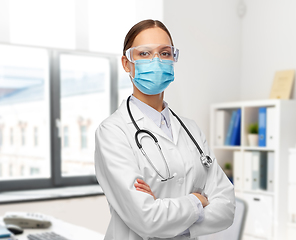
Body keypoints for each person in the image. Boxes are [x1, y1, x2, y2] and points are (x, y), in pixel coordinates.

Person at [94, 19, 235, 240]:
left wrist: (166, 213)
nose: (156, 61)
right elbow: (147, 220)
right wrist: (198, 201)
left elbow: (226, 207)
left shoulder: (191, 130)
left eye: (165, 53)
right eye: (144, 54)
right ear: (126, 63)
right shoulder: (112, 132)